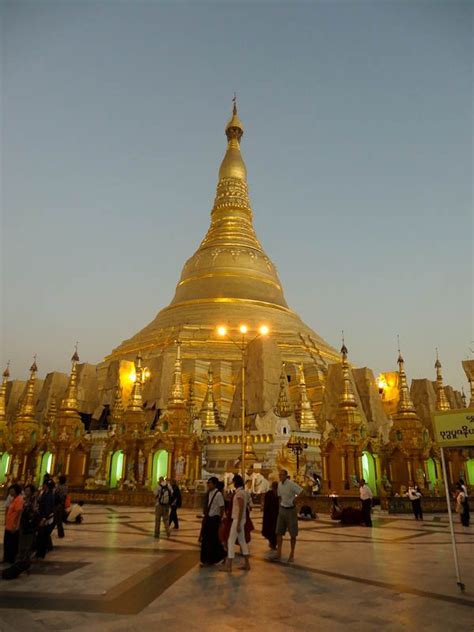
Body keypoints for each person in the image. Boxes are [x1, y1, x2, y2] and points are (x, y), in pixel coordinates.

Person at [220, 474, 250, 572]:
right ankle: (247, 564)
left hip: (238, 519)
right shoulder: (243, 492)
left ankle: (229, 566)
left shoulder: (239, 493)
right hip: (240, 519)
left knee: (230, 541)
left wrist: (238, 524)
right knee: (242, 541)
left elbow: (241, 508)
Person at [274, 470, 303, 563]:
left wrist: (296, 500)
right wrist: (279, 507)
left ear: (286, 476)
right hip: (282, 509)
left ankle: (292, 553)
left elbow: (302, 491)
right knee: (279, 532)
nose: (280, 477)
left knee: (292, 533)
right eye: (280, 475)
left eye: (282, 475)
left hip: (291, 510)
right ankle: (279, 553)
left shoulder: (291, 484)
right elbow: (279, 496)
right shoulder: (279, 484)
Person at [200, 476, 226, 566]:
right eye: (207, 483)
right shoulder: (209, 493)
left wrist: (220, 518)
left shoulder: (218, 494)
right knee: (207, 539)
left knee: (212, 539)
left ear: (214, 484)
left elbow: (222, 506)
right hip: (209, 518)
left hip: (215, 519)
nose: (208, 485)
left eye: (209, 483)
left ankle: (211, 559)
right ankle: (209, 558)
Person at [16, 484, 39, 564]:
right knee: (21, 541)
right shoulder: (23, 499)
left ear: (32, 492)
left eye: (28, 491)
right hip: (23, 522)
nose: (26, 492)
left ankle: (26, 559)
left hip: (30, 524)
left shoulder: (34, 500)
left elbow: (35, 511)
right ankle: (20, 557)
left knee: (28, 541)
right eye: (25, 490)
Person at [3, 484, 23, 564]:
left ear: (16, 491)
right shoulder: (13, 499)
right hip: (9, 525)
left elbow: (19, 514)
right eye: (10, 490)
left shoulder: (19, 499)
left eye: (12, 490)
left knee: (12, 543)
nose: (10, 491)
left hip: (13, 526)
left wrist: (16, 525)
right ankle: (7, 558)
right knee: (7, 542)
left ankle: (11, 559)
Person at [36, 480, 56, 558]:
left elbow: (47, 508)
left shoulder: (49, 495)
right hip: (43, 517)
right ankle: (40, 552)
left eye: (43, 484)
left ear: (46, 486)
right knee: (42, 536)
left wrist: (44, 518)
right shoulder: (45, 493)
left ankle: (41, 553)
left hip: (45, 519)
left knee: (43, 536)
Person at [262, 481, 279, 551]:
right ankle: (273, 544)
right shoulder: (276, 494)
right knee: (273, 530)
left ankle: (273, 543)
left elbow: (265, 505)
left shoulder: (269, 494)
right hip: (273, 515)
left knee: (272, 530)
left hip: (270, 515)